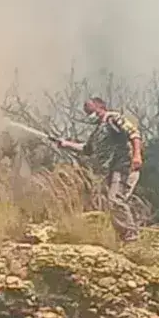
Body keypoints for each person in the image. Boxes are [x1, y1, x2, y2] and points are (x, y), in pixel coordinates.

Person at [55, 96, 144, 242]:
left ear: (100, 107)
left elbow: (134, 134)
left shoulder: (113, 118)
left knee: (115, 200)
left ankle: (131, 237)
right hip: (110, 171)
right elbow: (87, 149)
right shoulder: (97, 132)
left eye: (90, 110)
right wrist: (65, 144)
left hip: (123, 166)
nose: (88, 114)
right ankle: (124, 237)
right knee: (115, 203)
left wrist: (137, 155)